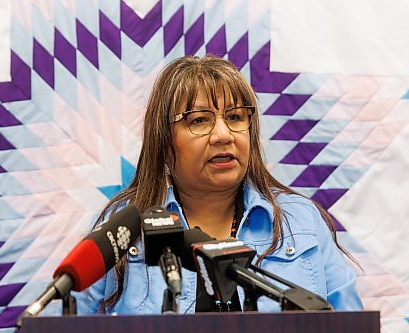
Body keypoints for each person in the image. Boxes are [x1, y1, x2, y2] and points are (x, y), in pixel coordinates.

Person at [74, 55, 363, 314]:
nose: (223, 135)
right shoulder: (124, 230)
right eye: (199, 120)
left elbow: (351, 324)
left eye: (236, 117)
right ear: (163, 141)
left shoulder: (301, 220)